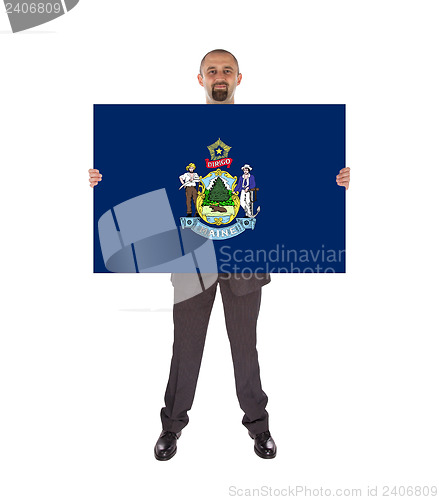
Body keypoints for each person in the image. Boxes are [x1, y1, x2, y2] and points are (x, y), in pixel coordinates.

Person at [89, 49, 351, 461]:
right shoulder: (174, 131)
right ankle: (171, 426)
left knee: (245, 348)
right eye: (212, 70)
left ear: (239, 78)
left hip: (245, 263)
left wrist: (330, 179)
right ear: (200, 80)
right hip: (191, 261)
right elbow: (142, 170)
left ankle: (258, 426)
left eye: (226, 70)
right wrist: (107, 178)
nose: (219, 76)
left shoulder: (264, 130)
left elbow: (293, 170)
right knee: (186, 347)